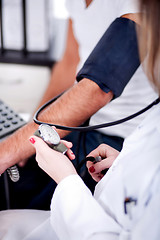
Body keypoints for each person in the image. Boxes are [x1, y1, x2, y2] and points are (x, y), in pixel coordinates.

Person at [0, 0, 159, 238]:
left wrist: (9, 150)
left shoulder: (139, 4)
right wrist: (27, 134)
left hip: (124, 136)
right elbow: (69, 65)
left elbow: (98, 86)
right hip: (85, 125)